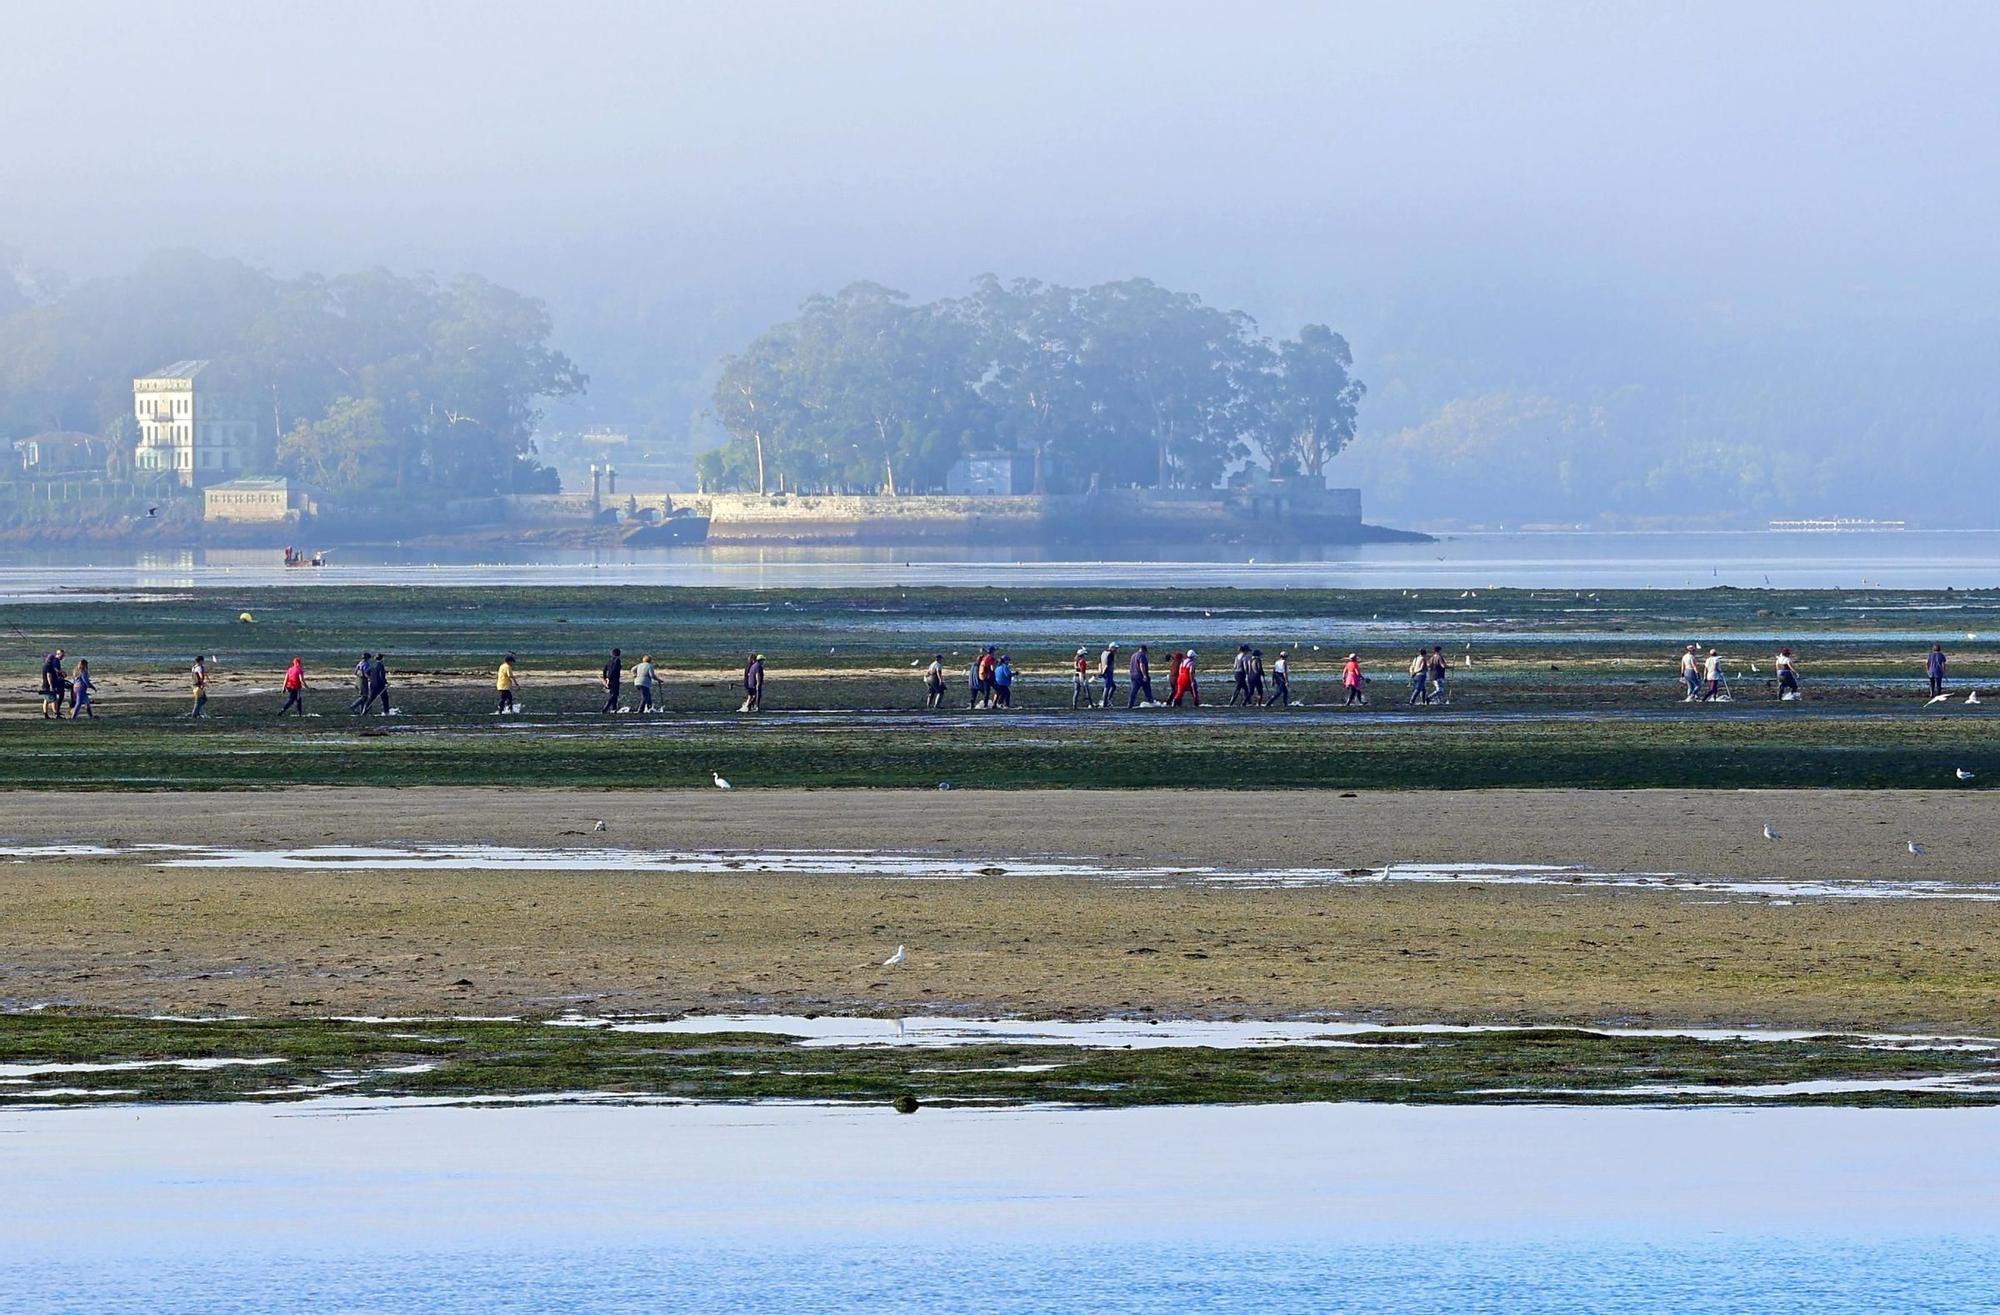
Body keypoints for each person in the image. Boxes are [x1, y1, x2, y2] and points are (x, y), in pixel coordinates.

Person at [40, 648, 65, 720]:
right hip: (48, 685)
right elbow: (49, 676)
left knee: (46, 700)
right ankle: (57, 714)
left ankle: (46, 714)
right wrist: (51, 686)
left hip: (44, 685)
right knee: (54, 700)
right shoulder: (49, 666)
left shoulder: (45, 666)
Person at [1127, 644, 1152, 709]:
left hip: (1133, 674)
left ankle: (1130, 704)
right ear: (1144, 650)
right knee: (1147, 689)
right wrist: (1145, 675)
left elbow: (1131, 665)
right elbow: (1142, 665)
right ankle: (1151, 702)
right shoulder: (1142, 655)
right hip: (1140, 675)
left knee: (1134, 690)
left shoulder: (1133, 655)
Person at [601, 648, 624, 713]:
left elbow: (604, 669)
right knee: (614, 694)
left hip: (610, 679)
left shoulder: (610, 661)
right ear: (619, 654)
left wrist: (605, 678)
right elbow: (614, 670)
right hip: (614, 679)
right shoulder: (617, 660)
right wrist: (609, 678)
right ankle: (605, 708)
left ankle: (614, 708)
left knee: (613, 694)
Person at [1096, 643, 1119, 709]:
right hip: (1108, 672)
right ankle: (1104, 703)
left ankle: (1106, 701)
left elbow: (1100, 663)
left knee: (1113, 686)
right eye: (1116, 648)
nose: (1116, 650)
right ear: (1112, 647)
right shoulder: (1110, 654)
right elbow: (1107, 665)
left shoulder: (1103, 653)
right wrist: (1103, 672)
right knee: (1107, 688)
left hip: (1104, 672)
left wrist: (1100, 671)